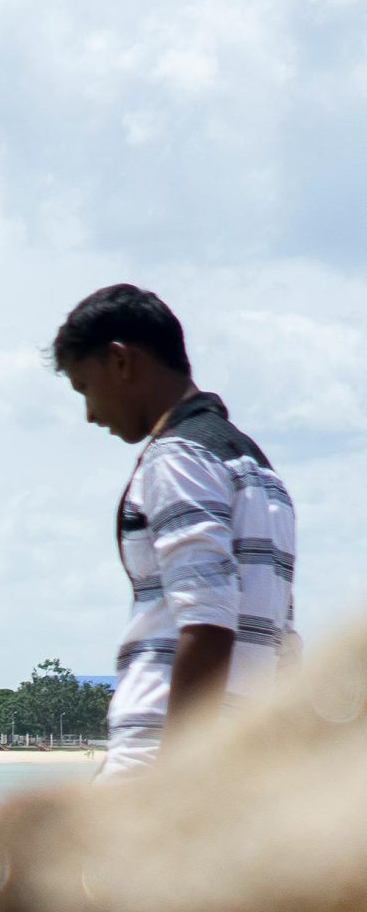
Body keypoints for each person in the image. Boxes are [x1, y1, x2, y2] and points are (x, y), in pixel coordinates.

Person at [52, 284, 296, 778]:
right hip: (245, 754)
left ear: (121, 361)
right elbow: (280, 638)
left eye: (85, 387)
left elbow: (207, 624)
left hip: (162, 755)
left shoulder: (179, 458)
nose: (90, 414)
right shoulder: (261, 472)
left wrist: (174, 779)